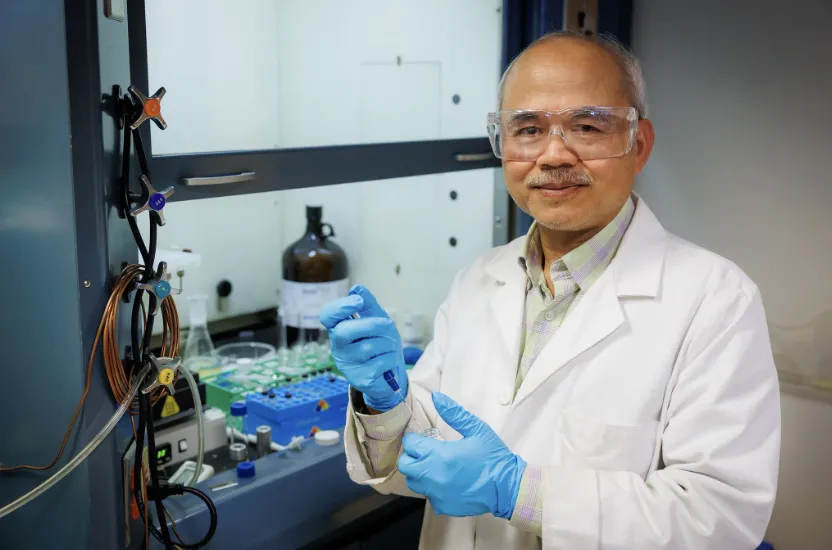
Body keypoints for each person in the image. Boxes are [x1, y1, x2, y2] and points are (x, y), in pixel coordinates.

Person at [320, 31, 780, 550]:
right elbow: (424, 459)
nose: (554, 154)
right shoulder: (478, 279)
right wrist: (386, 404)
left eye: (587, 126)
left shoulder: (716, 300)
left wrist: (522, 492)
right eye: (528, 129)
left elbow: (718, 520)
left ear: (639, 145)